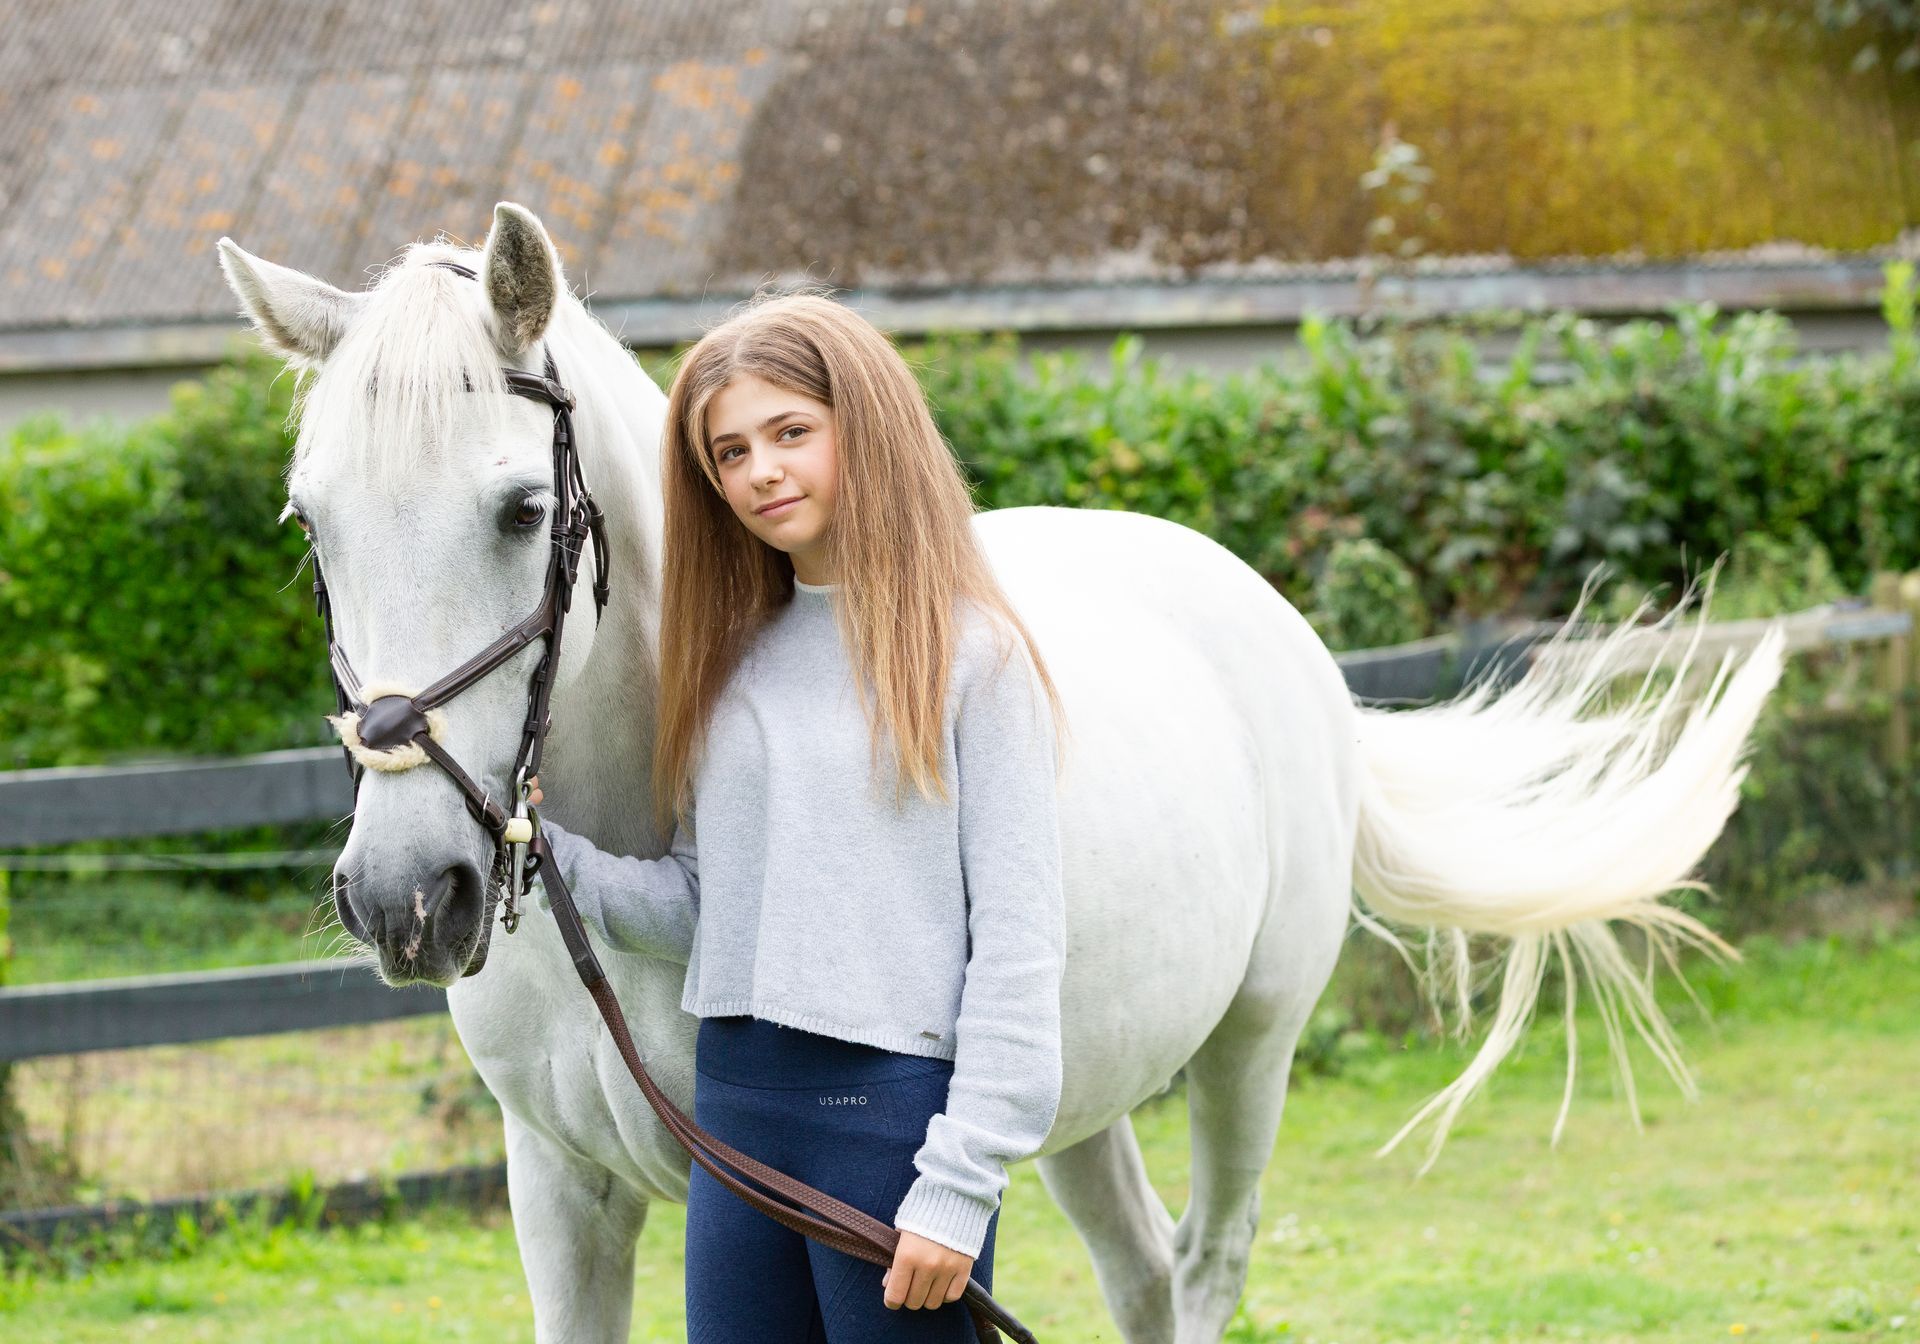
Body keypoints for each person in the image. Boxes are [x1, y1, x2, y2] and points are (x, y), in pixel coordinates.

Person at [529, 292, 1069, 1341]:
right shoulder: (728, 664)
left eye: (790, 433)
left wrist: (960, 1183)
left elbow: (1017, 944)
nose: (760, 471)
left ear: (863, 429)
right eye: (728, 453)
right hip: (734, 1118)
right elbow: (705, 909)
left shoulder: (975, 659)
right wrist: (547, 854)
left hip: (890, 1126)